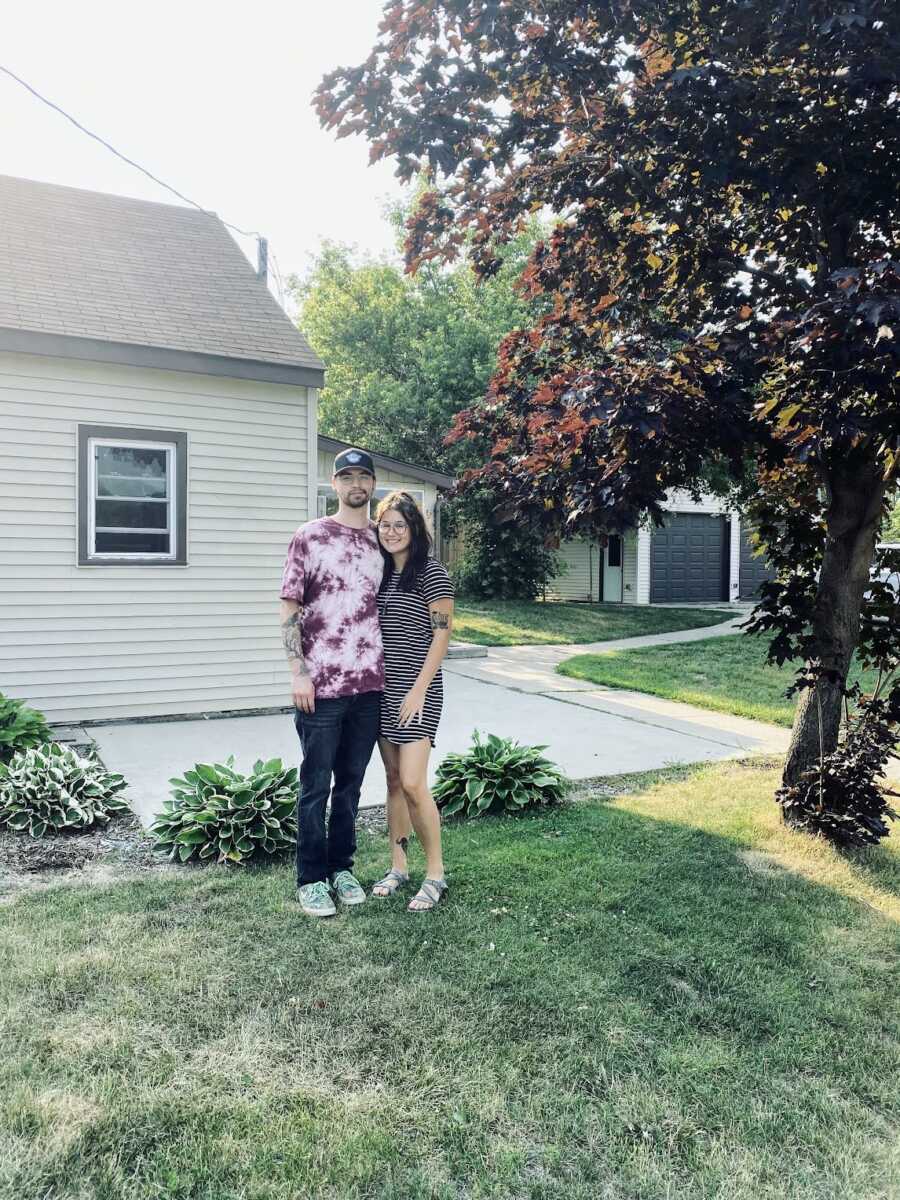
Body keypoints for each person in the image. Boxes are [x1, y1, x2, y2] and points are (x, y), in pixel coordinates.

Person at [279, 448, 384, 918]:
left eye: (363, 476)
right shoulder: (309, 536)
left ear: (373, 484)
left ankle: (342, 868)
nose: (355, 484)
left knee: (352, 786)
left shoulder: (384, 542)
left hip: (368, 687)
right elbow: (290, 609)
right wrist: (298, 672)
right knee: (315, 785)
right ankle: (311, 879)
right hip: (320, 687)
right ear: (334, 483)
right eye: (347, 476)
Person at [370, 490, 455, 912]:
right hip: (382, 691)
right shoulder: (381, 574)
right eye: (384, 525)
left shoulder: (432, 574)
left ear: (414, 529)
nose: (391, 532)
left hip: (417, 692)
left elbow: (442, 635)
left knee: (413, 783)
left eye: (399, 525)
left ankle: (436, 875)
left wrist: (419, 689)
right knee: (391, 781)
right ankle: (399, 866)